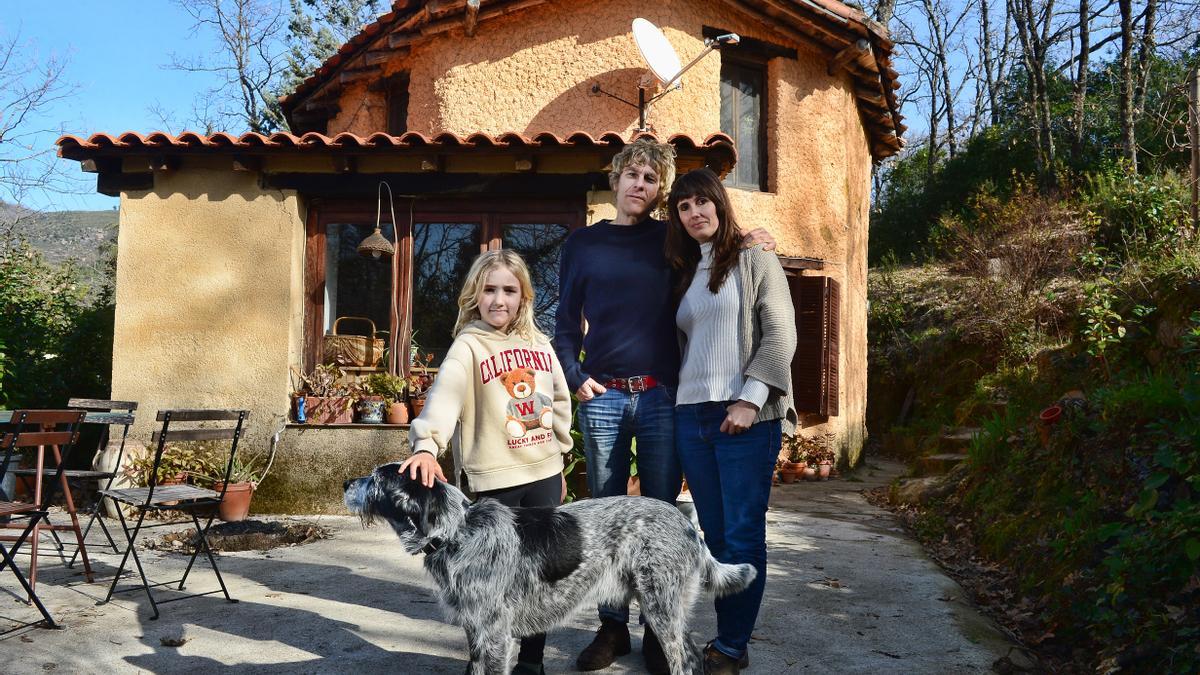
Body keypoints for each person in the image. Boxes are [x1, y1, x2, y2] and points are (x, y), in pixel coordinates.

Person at [554, 139, 774, 674]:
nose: (639, 185)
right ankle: (611, 628)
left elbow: (718, 251)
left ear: (659, 192)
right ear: (615, 179)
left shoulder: (671, 241)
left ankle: (659, 627)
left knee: (660, 518)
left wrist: (754, 238)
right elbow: (562, 326)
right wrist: (577, 377)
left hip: (662, 397)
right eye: (632, 175)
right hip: (603, 396)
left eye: (651, 179)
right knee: (603, 518)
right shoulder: (581, 245)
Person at [400, 249, 573, 675]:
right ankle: (485, 660)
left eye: (509, 290)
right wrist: (426, 443)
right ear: (474, 295)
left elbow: (561, 401)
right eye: (489, 289)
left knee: (539, 575)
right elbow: (445, 396)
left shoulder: (540, 344)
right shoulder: (468, 346)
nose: (499, 300)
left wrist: (560, 457)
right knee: (488, 579)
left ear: (523, 297)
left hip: (544, 475)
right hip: (496, 481)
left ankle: (532, 662)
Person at [665, 167, 797, 675]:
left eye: (703, 202)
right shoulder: (683, 272)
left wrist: (751, 398)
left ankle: (730, 648)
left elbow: (781, 332)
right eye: (683, 206)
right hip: (691, 419)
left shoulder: (755, 256)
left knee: (742, 537)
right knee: (715, 539)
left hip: (744, 416)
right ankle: (727, 640)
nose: (695, 212)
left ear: (720, 203)